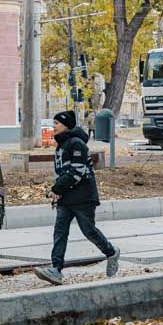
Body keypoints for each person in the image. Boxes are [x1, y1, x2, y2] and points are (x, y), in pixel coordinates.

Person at [34, 110, 120, 285]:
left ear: (67, 125)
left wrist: (56, 188)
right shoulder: (61, 146)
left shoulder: (77, 144)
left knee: (89, 231)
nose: (53, 126)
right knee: (60, 232)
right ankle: (56, 269)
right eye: (53, 123)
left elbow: (77, 171)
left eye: (57, 123)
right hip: (65, 198)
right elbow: (61, 173)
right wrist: (56, 192)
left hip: (83, 197)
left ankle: (111, 253)